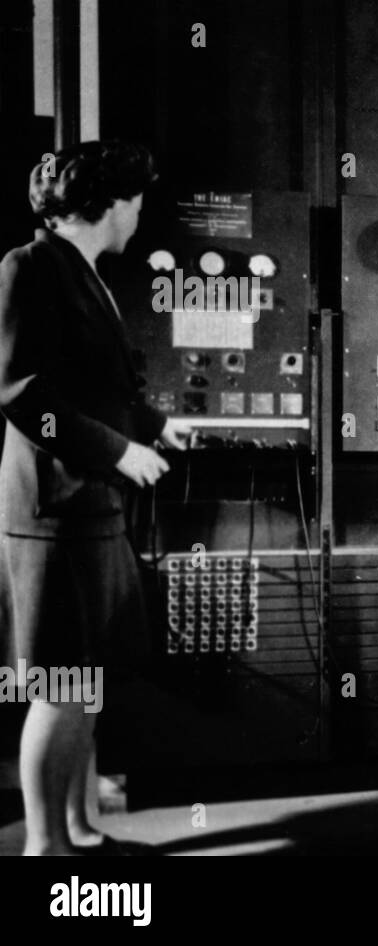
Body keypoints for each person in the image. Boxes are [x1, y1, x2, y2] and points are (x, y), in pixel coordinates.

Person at [0, 141, 191, 854]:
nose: (141, 214)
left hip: (90, 510)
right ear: (108, 204)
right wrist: (119, 451)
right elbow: (22, 393)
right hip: (52, 514)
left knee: (85, 682)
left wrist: (156, 426)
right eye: (136, 202)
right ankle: (43, 849)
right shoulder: (30, 267)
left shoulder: (85, 274)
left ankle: (79, 828)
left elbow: (97, 390)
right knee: (60, 685)